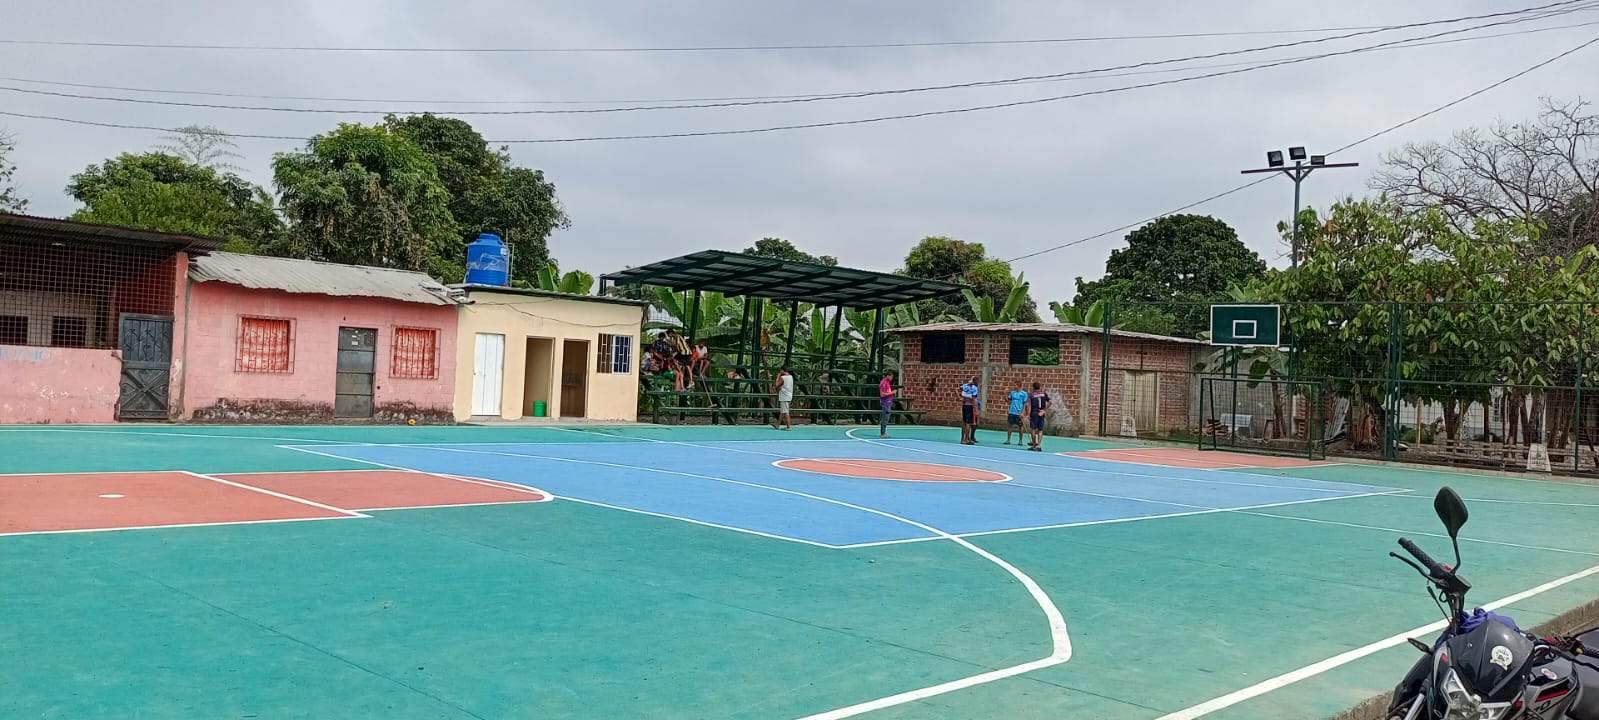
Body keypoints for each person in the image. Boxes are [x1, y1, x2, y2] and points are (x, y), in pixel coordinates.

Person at [1028, 382, 1051, 451]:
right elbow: (1050, 402)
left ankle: (1034, 445)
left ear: (1033, 387)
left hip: (1034, 412)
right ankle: (1039, 445)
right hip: (1041, 412)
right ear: (1039, 387)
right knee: (1040, 429)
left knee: (1033, 429)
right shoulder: (1044, 393)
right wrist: (1044, 410)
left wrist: (1028, 414)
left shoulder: (1031, 395)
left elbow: (1029, 405)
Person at [771, 366, 795, 430]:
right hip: (788, 395)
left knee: (786, 411)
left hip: (784, 396)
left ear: (782, 370)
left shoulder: (783, 377)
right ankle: (777, 425)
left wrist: (778, 377)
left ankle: (788, 426)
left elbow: (776, 385)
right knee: (783, 411)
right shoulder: (791, 376)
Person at [959, 375, 981, 445]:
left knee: (964, 422)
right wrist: (976, 409)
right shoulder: (974, 388)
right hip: (970, 406)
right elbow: (974, 399)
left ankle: (962, 439)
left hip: (964, 405)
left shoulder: (965, 386)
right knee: (968, 423)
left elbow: (956, 389)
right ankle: (966, 439)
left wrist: (959, 398)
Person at [878, 371, 896, 438]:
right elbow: (882, 394)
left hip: (888, 402)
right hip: (885, 402)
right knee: (885, 418)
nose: (892, 378)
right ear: (888, 376)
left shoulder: (887, 382)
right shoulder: (883, 383)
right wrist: (892, 393)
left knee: (887, 417)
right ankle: (882, 433)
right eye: (891, 376)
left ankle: (884, 432)